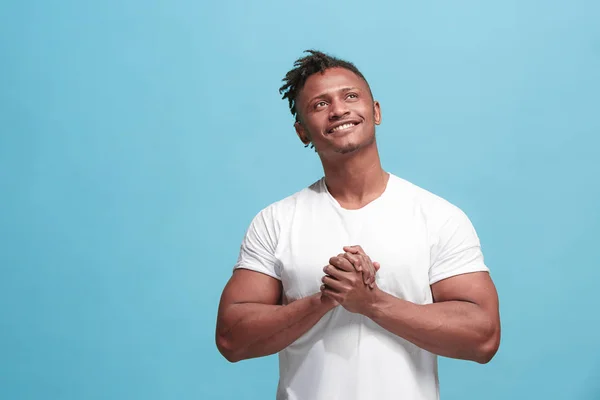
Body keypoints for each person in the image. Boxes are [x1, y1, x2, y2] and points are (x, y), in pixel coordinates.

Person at [215, 50, 501, 400]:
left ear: (376, 111)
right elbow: (231, 338)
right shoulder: (276, 221)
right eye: (320, 104)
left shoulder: (438, 216)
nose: (338, 110)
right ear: (302, 132)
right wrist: (324, 299)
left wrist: (372, 302)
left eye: (350, 96)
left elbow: (484, 338)